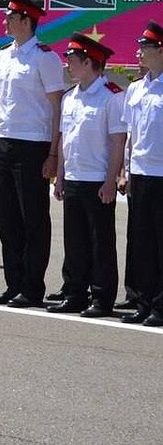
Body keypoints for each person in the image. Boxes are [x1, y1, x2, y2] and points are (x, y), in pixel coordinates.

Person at [0, 0, 66, 308]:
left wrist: (52, 153)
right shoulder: (4, 54)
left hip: (33, 144)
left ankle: (32, 287)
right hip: (5, 141)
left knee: (32, 218)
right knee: (7, 218)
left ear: (25, 20)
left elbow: (56, 107)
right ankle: (13, 283)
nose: (4, 21)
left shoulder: (45, 58)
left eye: (9, 16)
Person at [47, 34, 125, 318]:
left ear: (89, 62)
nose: (67, 64)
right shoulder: (70, 98)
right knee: (75, 241)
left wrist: (110, 180)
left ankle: (102, 298)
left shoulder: (111, 97)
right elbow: (66, 139)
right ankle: (75, 292)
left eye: (72, 59)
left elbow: (118, 142)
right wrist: (61, 175)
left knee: (100, 242)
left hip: (97, 180)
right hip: (76, 177)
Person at [120, 21, 163, 325]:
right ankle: (142, 300)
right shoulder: (135, 88)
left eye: (144, 48)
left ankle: (160, 305)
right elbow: (129, 135)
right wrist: (124, 170)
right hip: (140, 172)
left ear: (160, 50)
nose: (139, 52)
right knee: (140, 241)